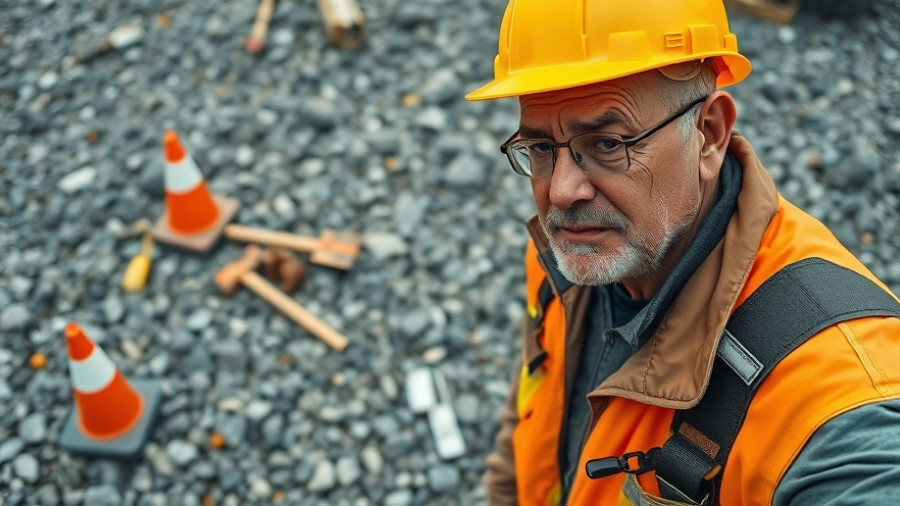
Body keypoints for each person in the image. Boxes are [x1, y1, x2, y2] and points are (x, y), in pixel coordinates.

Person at [464, 1, 900, 505]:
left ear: (709, 134)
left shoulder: (833, 388)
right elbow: (534, 410)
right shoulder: (565, 253)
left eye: (608, 143)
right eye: (541, 149)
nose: (561, 192)